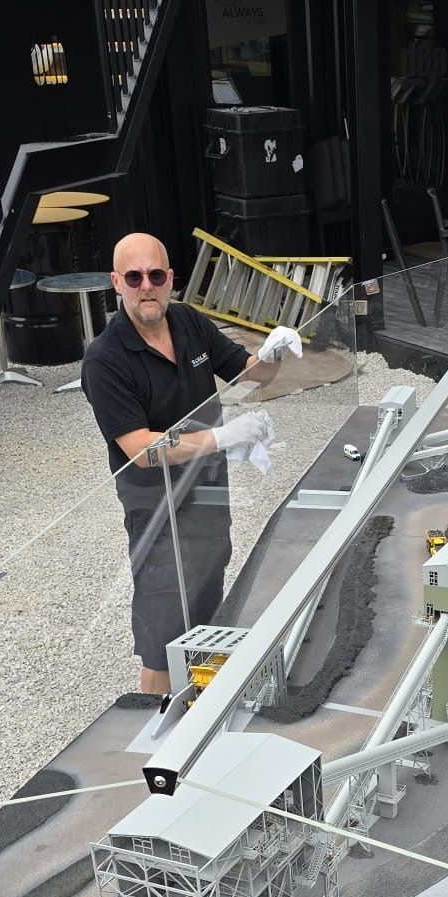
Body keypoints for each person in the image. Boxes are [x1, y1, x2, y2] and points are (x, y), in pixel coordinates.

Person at [80, 231, 303, 697]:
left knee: (206, 606)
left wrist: (271, 355)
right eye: (134, 277)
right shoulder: (105, 359)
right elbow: (139, 449)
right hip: (157, 510)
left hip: (208, 493)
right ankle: (154, 723)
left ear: (170, 279)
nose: (147, 286)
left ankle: (198, 705)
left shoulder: (187, 322)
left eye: (155, 275)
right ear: (116, 283)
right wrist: (220, 438)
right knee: (163, 629)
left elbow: (249, 373)